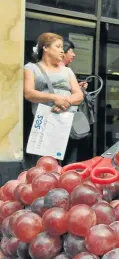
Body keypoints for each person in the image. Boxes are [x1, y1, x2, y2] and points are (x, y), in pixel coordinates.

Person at [23, 32, 83, 166]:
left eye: (62, 47)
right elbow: (28, 93)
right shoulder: (31, 68)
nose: (62, 50)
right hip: (44, 122)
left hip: (67, 122)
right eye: (58, 46)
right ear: (45, 48)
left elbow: (79, 96)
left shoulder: (67, 71)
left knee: (68, 164)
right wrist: (54, 98)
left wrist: (64, 102)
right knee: (44, 164)